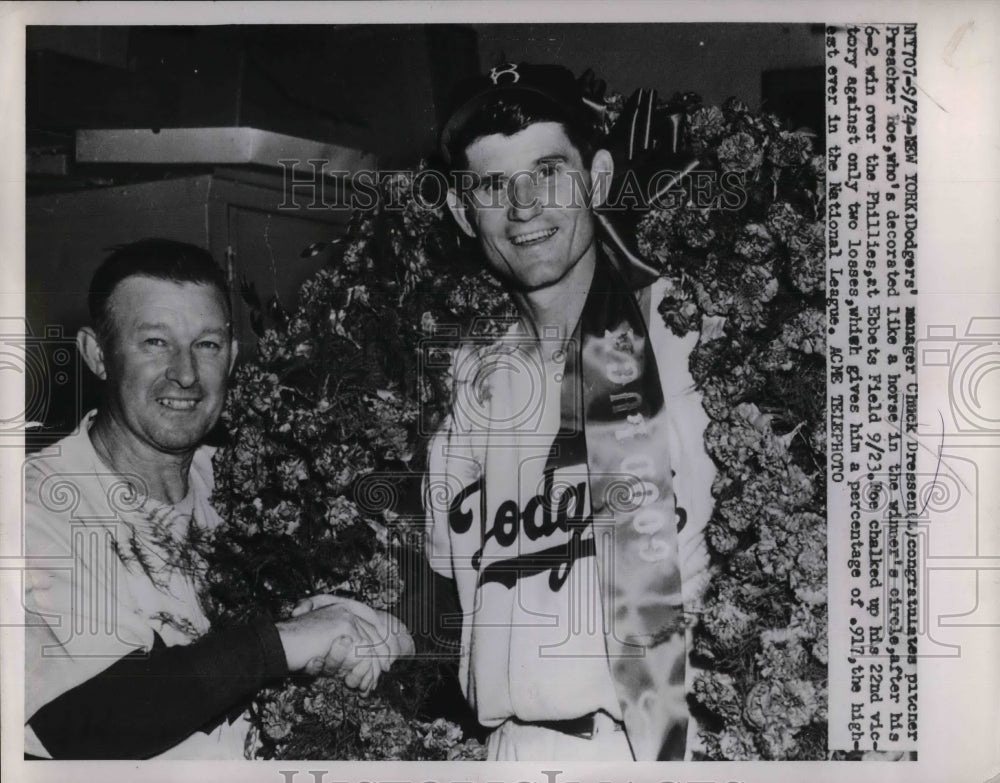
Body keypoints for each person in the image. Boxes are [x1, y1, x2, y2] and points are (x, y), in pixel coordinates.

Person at [423, 63, 716, 761]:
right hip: (506, 750)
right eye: (494, 185)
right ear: (465, 213)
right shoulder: (469, 376)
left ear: (601, 178)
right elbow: (439, 585)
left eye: (549, 171)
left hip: (643, 749)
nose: (524, 205)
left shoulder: (681, 336)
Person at [22, 238, 412, 760]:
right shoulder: (39, 502)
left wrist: (366, 633)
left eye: (206, 344)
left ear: (230, 356)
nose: (184, 373)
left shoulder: (247, 481)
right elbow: (82, 727)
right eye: (155, 342)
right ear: (97, 354)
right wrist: (281, 643)